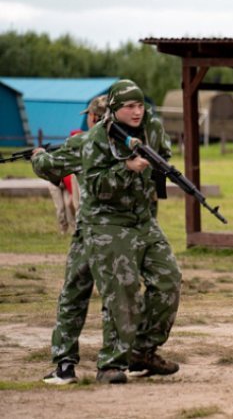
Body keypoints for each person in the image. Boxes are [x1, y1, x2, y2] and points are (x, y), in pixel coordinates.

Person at [77, 79, 180, 384]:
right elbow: (94, 186)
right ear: (114, 109)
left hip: (143, 219)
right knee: (122, 291)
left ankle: (143, 352)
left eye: (140, 106)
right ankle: (111, 363)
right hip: (107, 222)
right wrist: (127, 168)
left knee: (168, 281)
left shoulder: (152, 127)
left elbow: (163, 153)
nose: (137, 112)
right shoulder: (96, 139)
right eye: (129, 107)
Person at [33, 95, 107, 385]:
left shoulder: (84, 144)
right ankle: (115, 363)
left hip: (88, 231)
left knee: (73, 296)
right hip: (120, 233)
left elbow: (48, 167)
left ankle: (65, 365)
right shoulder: (122, 146)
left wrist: (38, 155)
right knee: (115, 299)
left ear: (93, 118)